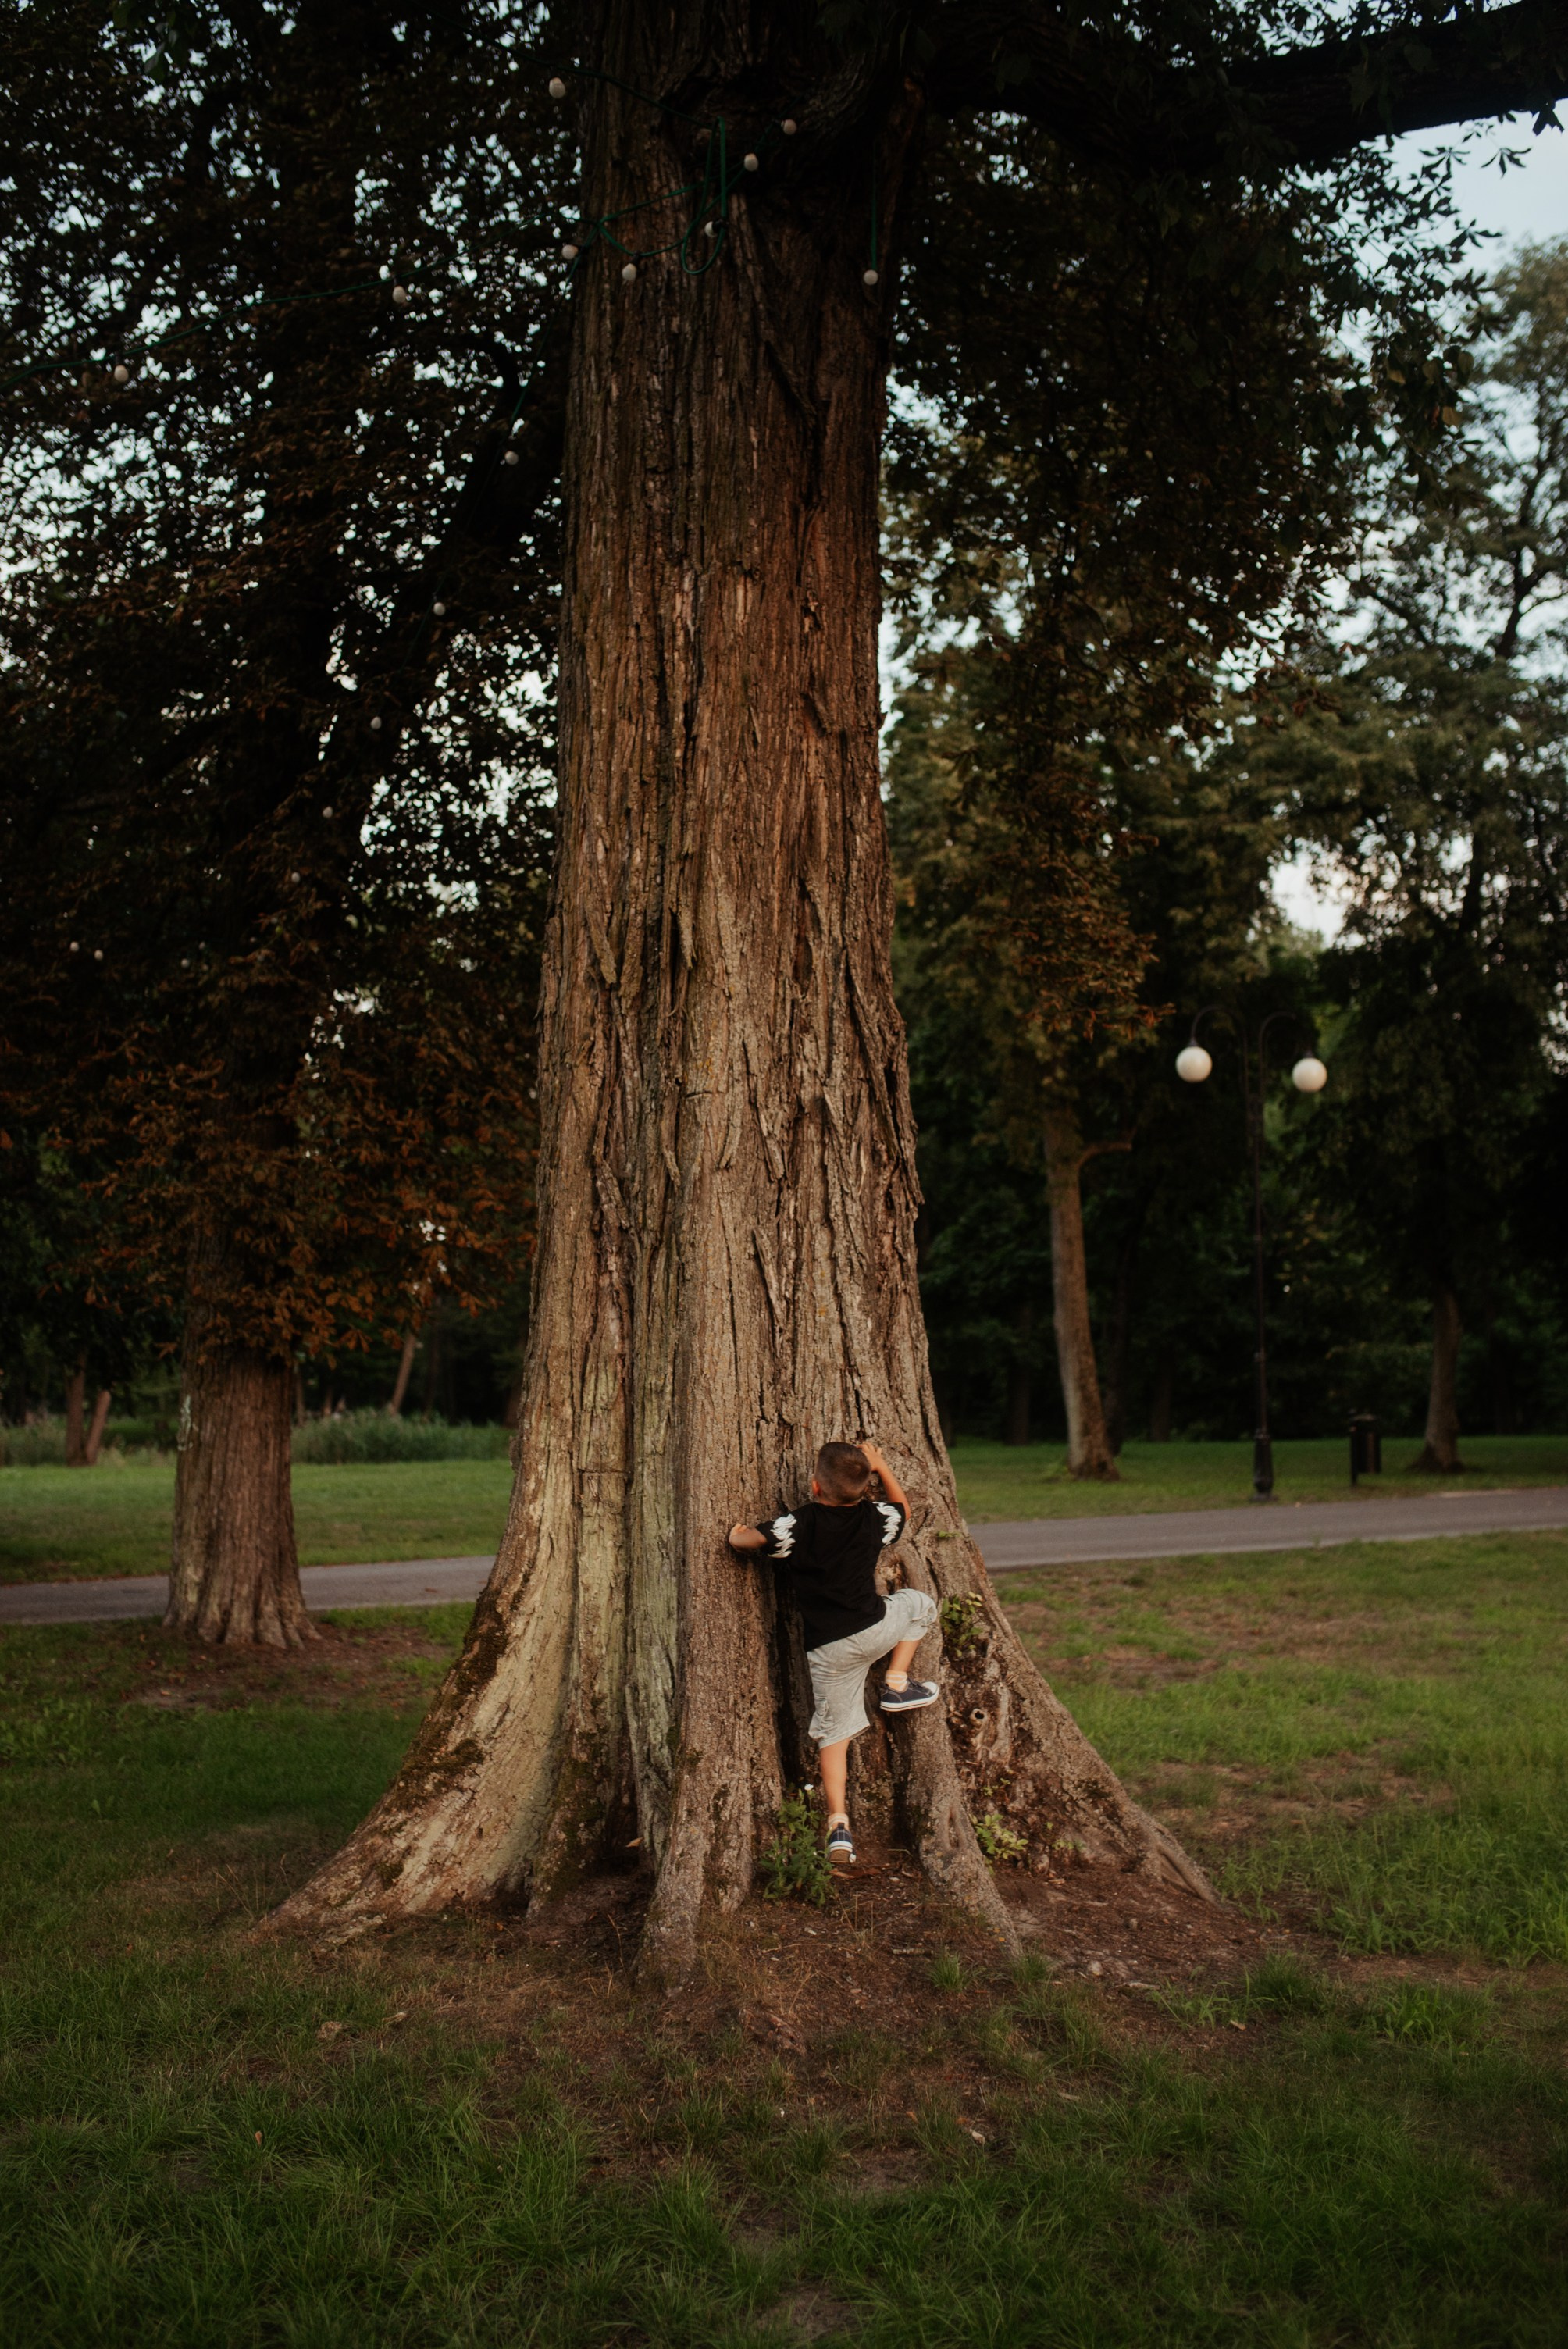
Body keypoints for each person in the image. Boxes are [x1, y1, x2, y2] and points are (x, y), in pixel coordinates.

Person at [728, 1438, 939, 1866]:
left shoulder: (799, 1524)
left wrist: (735, 1534)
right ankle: (896, 1682)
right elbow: (903, 1511)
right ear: (864, 1489)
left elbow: (749, 1541)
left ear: (815, 1487)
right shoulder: (875, 1518)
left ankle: (838, 1825)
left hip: (831, 1649)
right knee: (919, 1604)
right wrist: (881, 1467)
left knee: (834, 1735)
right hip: (877, 1628)